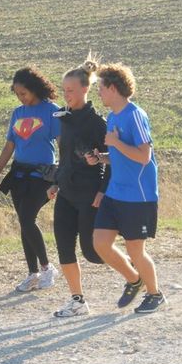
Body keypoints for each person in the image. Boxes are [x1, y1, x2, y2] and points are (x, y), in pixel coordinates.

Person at [86, 63, 165, 314]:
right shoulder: (113, 116)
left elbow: (144, 156)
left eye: (100, 88)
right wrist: (102, 158)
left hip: (138, 196)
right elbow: (121, 155)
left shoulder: (135, 115)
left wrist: (116, 143)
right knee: (100, 243)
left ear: (112, 88)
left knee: (135, 250)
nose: (98, 93)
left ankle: (155, 294)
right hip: (115, 193)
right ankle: (134, 279)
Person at [0, 66, 60, 292]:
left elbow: (63, 146)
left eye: (24, 93)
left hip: (43, 175)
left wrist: (60, 180)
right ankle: (33, 273)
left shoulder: (52, 111)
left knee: (28, 219)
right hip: (19, 174)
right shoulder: (18, 113)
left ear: (35, 89)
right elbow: (10, 145)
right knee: (24, 223)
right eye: (17, 94)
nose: (21, 98)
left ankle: (47, 268)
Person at [47, 55, 110, 317]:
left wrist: (102, 190)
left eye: (70, 91)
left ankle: (134, 269)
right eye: (64, 91)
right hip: (66, 192)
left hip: (89, 194)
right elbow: (64, 155)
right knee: (63, 245)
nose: (66, 95)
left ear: (85, 89)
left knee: (93, 253)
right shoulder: (64, 117)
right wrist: (55, 183)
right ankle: (77, 301)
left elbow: (112, 160)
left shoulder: (98, 123)